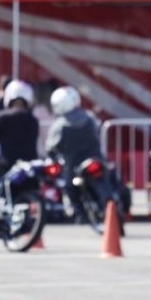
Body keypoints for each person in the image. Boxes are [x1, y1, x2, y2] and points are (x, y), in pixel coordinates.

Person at [44, 86, 106, 221]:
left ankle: (81, 214)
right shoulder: (89, 117)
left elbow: (50, 147)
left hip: (74, 166)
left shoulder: (59, 125)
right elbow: (98, 131)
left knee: (69, 187)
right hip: (95, 159)